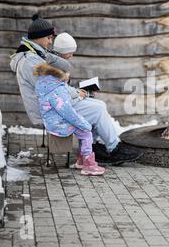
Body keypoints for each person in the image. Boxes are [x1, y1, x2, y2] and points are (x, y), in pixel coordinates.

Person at [10, 15, 143, 166]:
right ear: (39, 38)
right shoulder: (31, 61)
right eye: (48, 37)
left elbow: (52, 86)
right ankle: (114, 150)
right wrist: (75, 93)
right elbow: (51, 88)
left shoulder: (34, 55)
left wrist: (75, 91)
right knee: (98, 109)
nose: (50, 41)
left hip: (52, 103)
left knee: (95, 105)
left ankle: (94, 148)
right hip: (50, 108)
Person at [33, 62, 105, 176]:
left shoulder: (46, 83)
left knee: (83, 129)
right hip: (58, 124)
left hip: (53, 120)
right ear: (59, 72)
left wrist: (79, 98)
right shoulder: (58, 89)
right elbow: (68, 113)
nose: (69, 74)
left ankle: (82, 161)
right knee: (86, 132)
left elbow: (65, 104)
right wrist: (84, 124)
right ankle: (88, 165)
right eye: (67, 72)